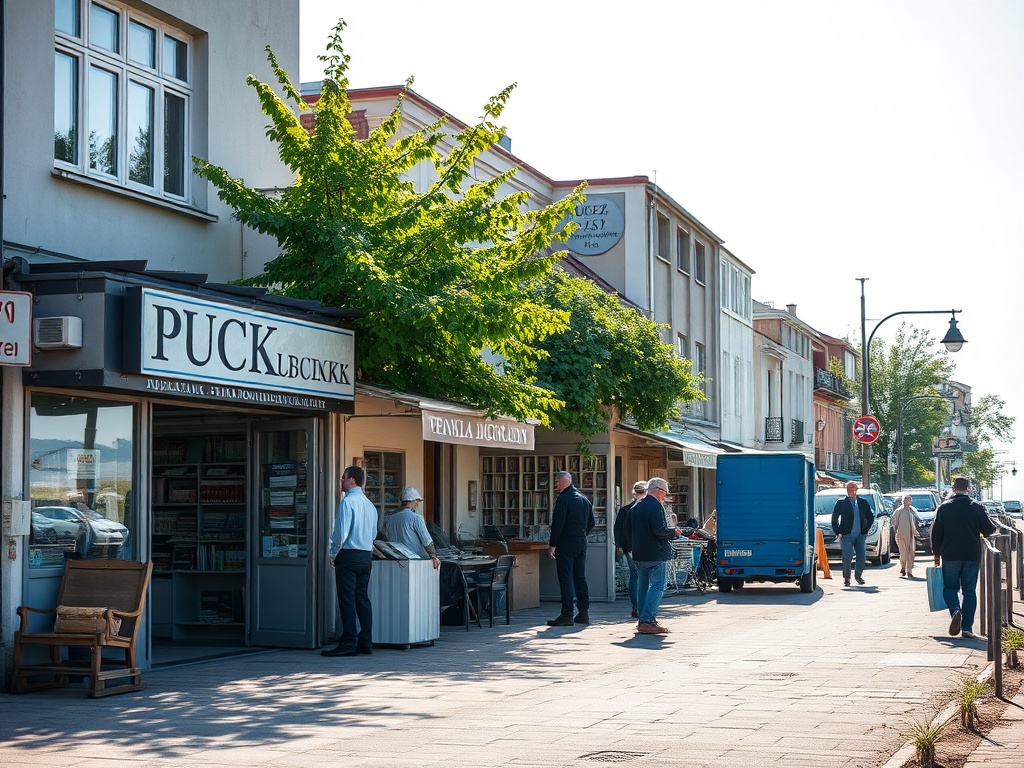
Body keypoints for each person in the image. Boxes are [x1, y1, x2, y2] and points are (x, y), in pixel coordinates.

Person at [322, 465, 379, 657]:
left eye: (343, 477)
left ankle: (348, 642)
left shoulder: (347, 502)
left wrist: (333, 553)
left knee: (346, 600)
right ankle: (366, 641)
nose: (341, 481)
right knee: (362, 598)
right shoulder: (370, 505)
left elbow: (341, 533)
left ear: (352, 480)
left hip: (349, 554)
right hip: (365, 555)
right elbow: (373, 534)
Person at [931, 476, 996, 639]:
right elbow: (989, 529)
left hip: (950, 554)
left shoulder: (944, 507)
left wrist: (936, 553)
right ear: (968, 489)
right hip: (971, 554)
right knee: (969, 591)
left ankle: (955, 610)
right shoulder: (977, 507)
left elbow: (936, 532)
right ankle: (967, 628)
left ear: (953, 489)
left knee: (950, 587)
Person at [629, 477, 682, 635]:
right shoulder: (656, 506)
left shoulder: (636, 507)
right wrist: (674, 532)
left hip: (638, 554)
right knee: (658, 586)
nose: (665, 496)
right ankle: (647, 620)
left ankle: (643, 620)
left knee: (643, 588)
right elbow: (659, 531)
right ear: (658, 489)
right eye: (665, 492)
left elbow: (628, 530)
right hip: (655, 554)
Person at [547, 470, 596, 626]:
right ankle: (583, 613)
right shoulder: (584, 499)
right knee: (580, 577)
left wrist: (552, 544)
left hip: (566, 543)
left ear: (561, 482)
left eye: (557, 483)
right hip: (581, 542)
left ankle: (567, 613)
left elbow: (558, 524)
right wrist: (582, 534)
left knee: (566, 578)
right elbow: (592, 522)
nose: (556, 486)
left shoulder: (563, 499)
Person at [614, 481, 648, 619]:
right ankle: (643, 606)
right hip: (644, 547)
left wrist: (620, 545)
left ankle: (635, 606)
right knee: (645, 577)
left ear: (634, 493)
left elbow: (619, 529)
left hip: (629, 548)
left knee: (635, 576)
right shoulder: (648, 508)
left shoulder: (625, 510)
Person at [384, 487, 441, 568]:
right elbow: (427, 542)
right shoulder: (416, 518)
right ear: (414, 501)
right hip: (416, 562)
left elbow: (386, 538)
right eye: (418, 501)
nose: (418, 504)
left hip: (396, 561)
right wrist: (433, 555)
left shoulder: (390, 519)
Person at [831, 481, 873, 587]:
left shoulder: (863, 502)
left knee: (862, 556)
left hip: (860, 535)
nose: (852, 490)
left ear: (857, 489)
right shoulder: (841, 503)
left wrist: (866, 530)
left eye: (854, 488)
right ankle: (846, 578)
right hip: (846, 535)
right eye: (849, 488)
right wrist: (838, 532)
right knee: (847, 557)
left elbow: (870, 517)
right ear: (846, 490)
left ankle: (858, 576)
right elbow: (834, 519)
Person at [891, 495, 922, 578]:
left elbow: (918, 518)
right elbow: (894, 522)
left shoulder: (912, 510)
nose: (907, 502)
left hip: (911, 535)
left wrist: (916, 531)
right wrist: (897, 532)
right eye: (905, 500)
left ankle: (909, 571)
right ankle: (903, 568)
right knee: (903, 552)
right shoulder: (899, 511)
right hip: (901, 535)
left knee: (911, 552)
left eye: (909, 500)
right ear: (903, 501)